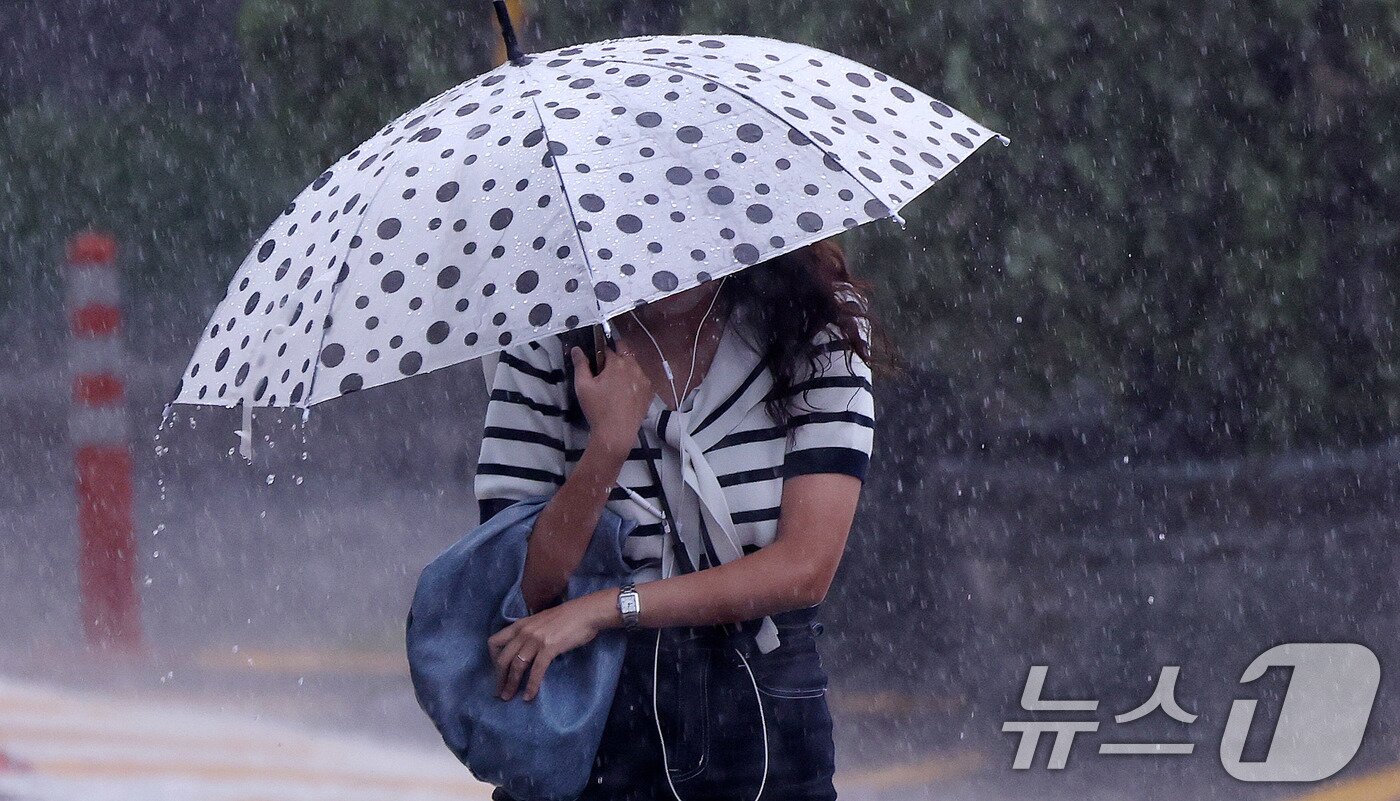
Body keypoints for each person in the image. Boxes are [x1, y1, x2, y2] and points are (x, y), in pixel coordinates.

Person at [476, 238, 886, 801]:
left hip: (761, 698)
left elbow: (805, 567)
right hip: (587, 707)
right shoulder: (544, 339)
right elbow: (520, 584)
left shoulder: (817, 326)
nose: (668, 254)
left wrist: (608, 608)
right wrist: (608, 444)